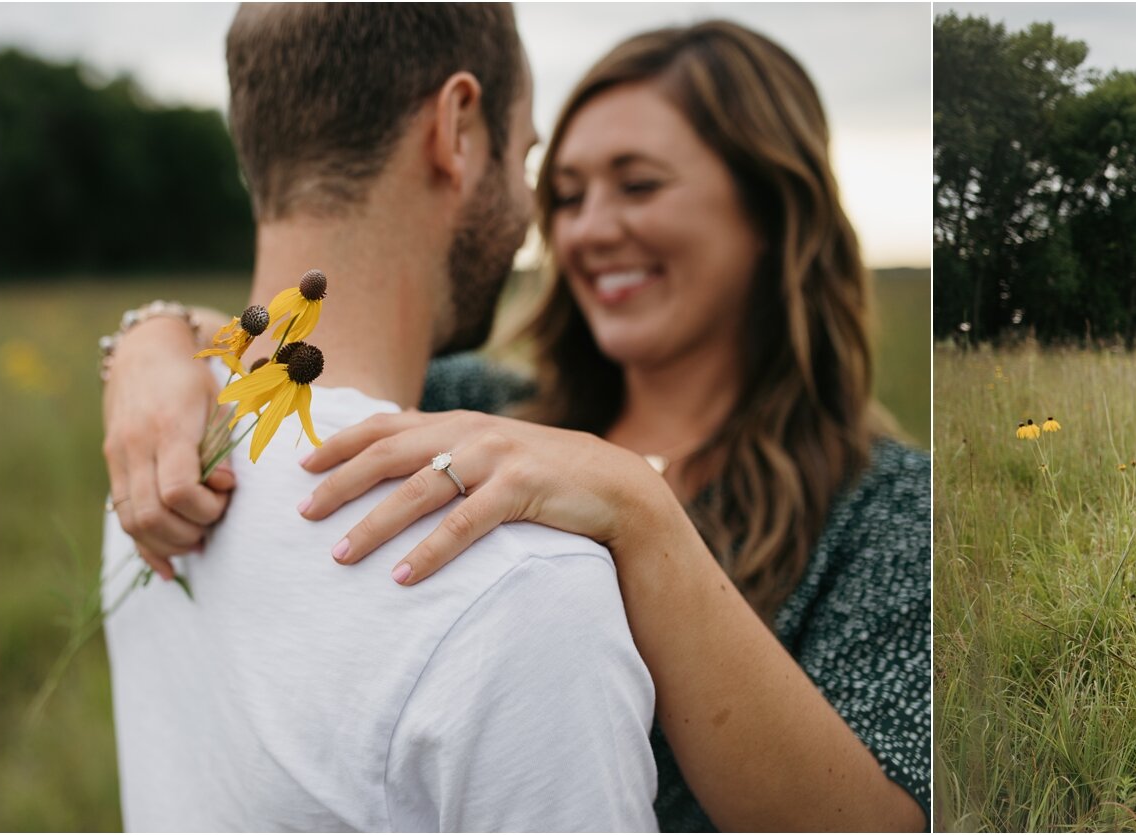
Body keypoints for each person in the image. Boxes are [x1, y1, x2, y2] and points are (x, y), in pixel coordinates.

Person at [101, 17, 929, 833]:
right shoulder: (481, 407)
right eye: (563, 193)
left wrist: (640, 511)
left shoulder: (891, 512)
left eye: (638, 184)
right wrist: (154, 337)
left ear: (774, 206)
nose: (586, 229)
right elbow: (319, 359)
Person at [100, 5, 655, 830]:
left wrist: (148, 333)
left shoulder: (152, 464)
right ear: (458, 127)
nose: (531, 207)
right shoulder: (520, 591)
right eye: (526, 154)